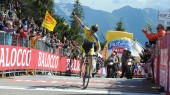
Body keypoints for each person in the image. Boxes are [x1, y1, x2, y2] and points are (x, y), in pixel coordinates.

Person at [72, 12, 101, 78]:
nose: (91, 32)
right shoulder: (86, 29)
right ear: (90, 28)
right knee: (82, 57)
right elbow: (80, 23)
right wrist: (75, 15)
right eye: (91, 30)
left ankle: (90, 72)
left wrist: (97, 52)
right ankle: (80, 71)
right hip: (84, 46)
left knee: (91, 57)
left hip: (90, 47)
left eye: (93, 32)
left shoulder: (95, 36)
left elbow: (99, 46)